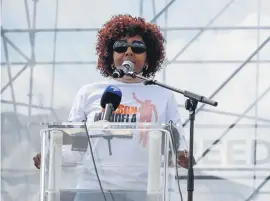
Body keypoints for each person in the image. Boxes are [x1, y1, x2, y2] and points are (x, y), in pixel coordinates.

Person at [33, 14, 190, 201]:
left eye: (138, 47)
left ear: (149, 58)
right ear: (110, 55)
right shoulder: (89, 92)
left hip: (145, 191)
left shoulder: (163, 95)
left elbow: (178, 145)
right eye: (121, 46)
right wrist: (52, 156)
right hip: (92, 190)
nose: (129, 51)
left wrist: (182, 156)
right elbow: (74, 148)